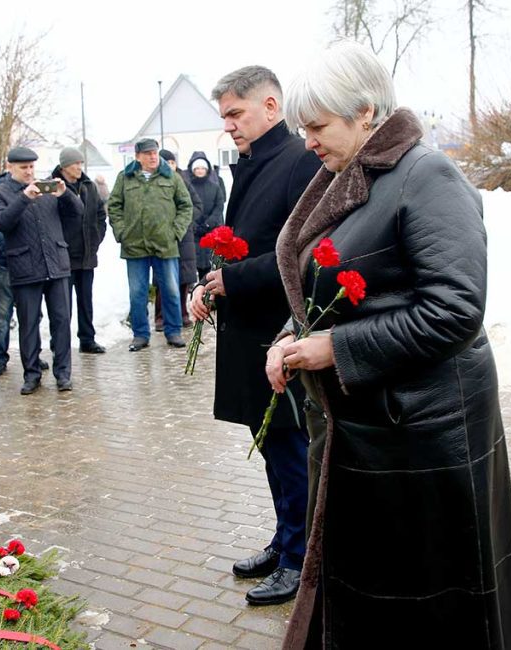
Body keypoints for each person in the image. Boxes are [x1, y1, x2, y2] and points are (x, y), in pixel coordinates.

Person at [271, 41, 511, 647]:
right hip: (365, 427)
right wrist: (290, 336)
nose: (307, 141)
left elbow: (455, 309)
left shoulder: (427, 175)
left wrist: (338, 349)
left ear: (366, 112)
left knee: (431, 599)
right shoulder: (347, 174)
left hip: (423, 431)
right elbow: (320, 282)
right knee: (370, 590)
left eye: (316, 126)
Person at [190, 66, 321, 606]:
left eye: (235, 114)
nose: (229, 126)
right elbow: (244, 242)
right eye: (224, 116)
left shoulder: (299, 163)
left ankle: (300, 559)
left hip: (279, 334)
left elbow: (304, 252)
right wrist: (211, 283)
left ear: (271, 107)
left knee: (290, 447)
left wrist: (232, 278)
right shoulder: (249, 164)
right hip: (248, 329)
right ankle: (283, 538)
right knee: (269, 445)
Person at [0, 146, 81, 395]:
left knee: (61, 322)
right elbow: (0, 223)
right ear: (10, 167)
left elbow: (77, 213)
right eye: (23, 168)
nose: (29, 172)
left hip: (56, 264)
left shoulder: (48, 189)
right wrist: (24, 198)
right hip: (25, 267)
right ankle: (32, 375)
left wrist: (65, 194)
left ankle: (63, 374)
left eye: (31, 167)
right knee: (28, 324)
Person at [107, 138, 193, 351]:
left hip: (165, 245)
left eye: (154, 153)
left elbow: (186, 206)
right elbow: (114, 206)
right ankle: (140, 335)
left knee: (171, 290)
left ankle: (173, 331)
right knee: (138, 293)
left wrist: (175, 232)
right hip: (134, 246)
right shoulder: (125, 178)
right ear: (138, 157)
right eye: (147, 154)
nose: (153, 157)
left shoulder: (171, 177)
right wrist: (121, 232)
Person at [0, 171, 52, 378]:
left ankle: (34, 355)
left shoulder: (32, 188)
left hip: (29, 265)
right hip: (5, 264)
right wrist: (9, 246)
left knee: (32, 316)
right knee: (3, 316)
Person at [52, 146, 107, 354]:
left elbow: (101, 215)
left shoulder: (89, 186)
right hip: (62, 256)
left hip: (86, 255)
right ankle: (59, 344)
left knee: (86, 302)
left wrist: (96, 239)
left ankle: (87, 339)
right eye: (75, 163)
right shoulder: (54, 187)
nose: (79, 167)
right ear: (65, 166)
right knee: (62, 307)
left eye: (80, 163)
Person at [154, 149, 200, 330]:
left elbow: (196, 205)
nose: (170, 166)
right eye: (166, 162)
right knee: (161, 279)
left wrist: (183, 221)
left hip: (184, 237)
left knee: (183, 277)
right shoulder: (156, 181)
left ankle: (182, 314)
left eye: (172, 162)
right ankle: (160, 316)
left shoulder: (183, 181)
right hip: (162, 236)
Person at [186, 151, 226, 279]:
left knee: (211, 264)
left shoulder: (215, 187)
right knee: (195, 263)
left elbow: (219, 206)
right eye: (197, 168)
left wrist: (209, 223)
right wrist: (194, 225)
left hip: (211, 230)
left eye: (202, 168)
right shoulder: (187, 187)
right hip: (194, 232)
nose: (200, 171)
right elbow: (185, 207)